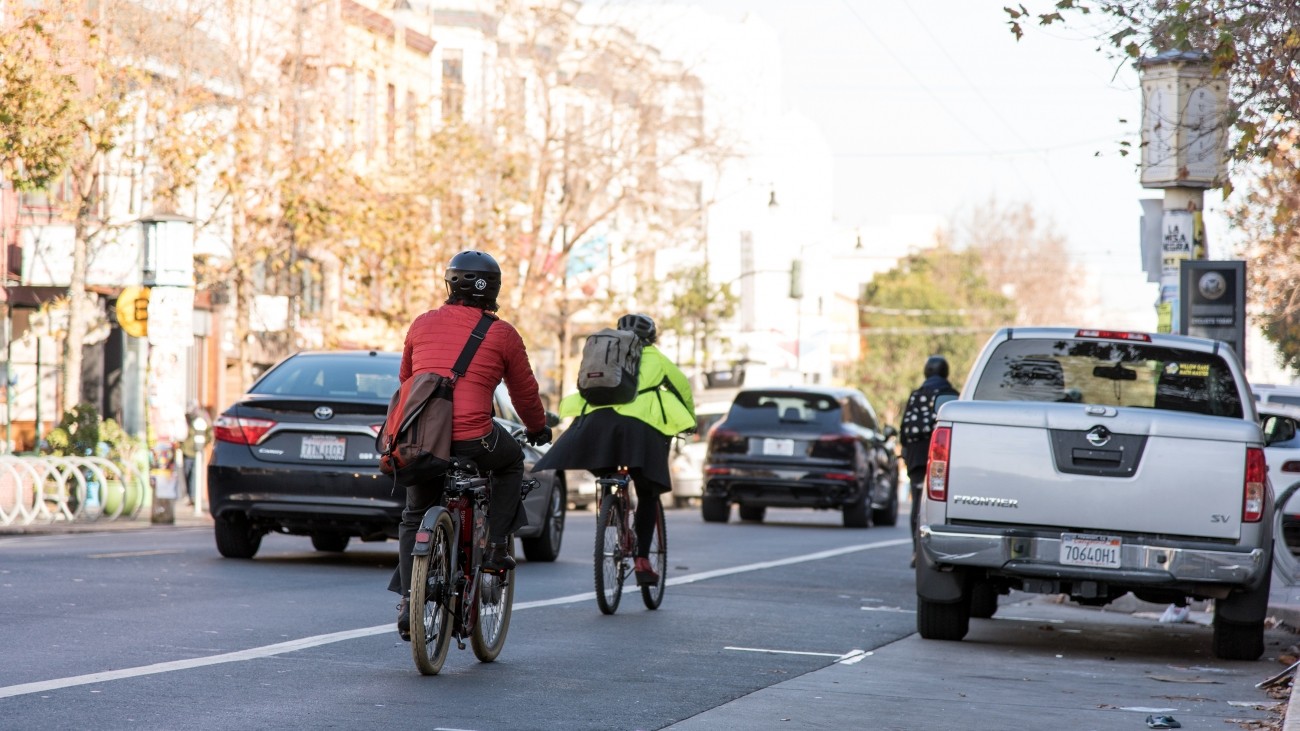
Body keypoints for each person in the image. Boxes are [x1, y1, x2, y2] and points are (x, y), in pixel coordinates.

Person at [387, 250, 552, 641]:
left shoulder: (422, 323)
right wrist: (538, 427)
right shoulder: (503, 334)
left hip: (424, 438)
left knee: (414, 513)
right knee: (511, 464)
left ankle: (410, 598)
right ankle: (496, 546)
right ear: (494, 290)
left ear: (450, 284)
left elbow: (407, 378)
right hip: (475, 437)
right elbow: (524, 392)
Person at [533, 313, 694, 586]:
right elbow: (683, 389)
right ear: (651, 337)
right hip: (640, 430)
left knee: (606, 468)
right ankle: (642, 559)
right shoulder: (656, 357)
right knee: (647, 492)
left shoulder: (607, 352)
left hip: (596, 428)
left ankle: (612, 501)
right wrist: (687, 421)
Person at [900, 354, 959, 568]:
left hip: (917, 454)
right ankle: (939, 551)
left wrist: (906, 453)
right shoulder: (952, 395)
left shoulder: (916, 395)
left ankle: (917, 550)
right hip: (942, 453)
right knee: (939, 502)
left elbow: (904, 431)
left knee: (918, 501)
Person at [180, 404, 212, 505]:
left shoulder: (202, 419)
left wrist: (202, 444)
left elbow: (209, 434)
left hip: (196, 451)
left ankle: (194, 497)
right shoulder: (186, 419)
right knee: (187, 474)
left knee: (195, 475)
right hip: (187, 451)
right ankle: (190, 496)